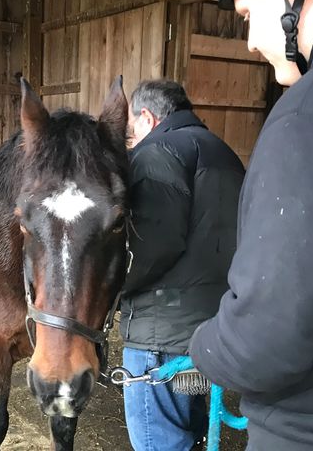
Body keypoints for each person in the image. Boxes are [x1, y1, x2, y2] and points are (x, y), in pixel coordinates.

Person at [188, 0, 313, 451]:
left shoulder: (309, 118)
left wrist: (203, 348)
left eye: (249, 13)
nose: (249, 42)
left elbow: (265, 343)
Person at [120, 79, 244, 451]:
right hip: (211, 330)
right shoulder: (225, 154)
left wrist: (111, 287)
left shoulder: (155, 154)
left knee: (159, 442)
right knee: (193, 434)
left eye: (132, 128)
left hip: (160, 335)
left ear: (147, 117)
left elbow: (149, 248)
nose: (133, 138)